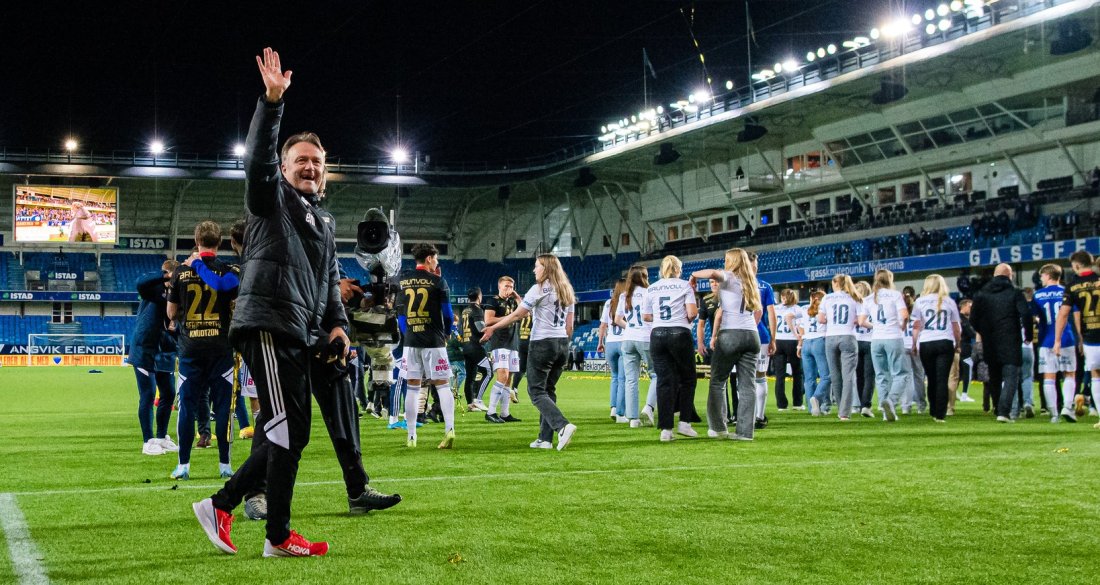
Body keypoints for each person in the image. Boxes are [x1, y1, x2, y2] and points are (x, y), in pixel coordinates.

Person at [194, 48, 351, 558]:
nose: (310, 167)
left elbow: (330, 282)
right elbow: (257, 158)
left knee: (291, 432)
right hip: (266, 322)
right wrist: (272, 102)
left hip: (300, 331)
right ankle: (275, 535)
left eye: (317, 163)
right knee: (286, 431)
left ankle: (226, 506)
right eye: (301, 160)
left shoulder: (324, 223)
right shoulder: (270, 199)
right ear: (284, 168)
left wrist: (339, 326)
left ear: (325, 173)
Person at [482, 254, 577, 450]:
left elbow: (518, 315)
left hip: (542, 343)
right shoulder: (567, 289)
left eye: (537, 266)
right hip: (562, 344)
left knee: (535, 390)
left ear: (546, 268)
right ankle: (545, 439)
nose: (534, 270)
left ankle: (562, 425)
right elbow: (569, 326)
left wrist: (493, 327)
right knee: (548, 390)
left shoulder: (539, 288)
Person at [167, 221, 239, 481]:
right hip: (220, 350)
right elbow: (233, 303)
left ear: (196, 241)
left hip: (191, 351)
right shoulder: (228, 270)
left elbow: (171, 313)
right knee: (223, 409)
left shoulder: (180, 273)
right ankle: (225, 466)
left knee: (187, 408)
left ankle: (183, 466)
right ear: (219, 243)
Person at [691, 248, 762, 440]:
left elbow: (712, 274)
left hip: (731, 333)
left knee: (717, 381)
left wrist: (693, 275)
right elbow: (759, 312)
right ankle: (745, 433)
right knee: (748, 385)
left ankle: (718, 428)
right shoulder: (753, 281)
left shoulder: (729, 277)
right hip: (752, 335)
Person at [397, 243, 456, 448]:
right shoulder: (438, 281)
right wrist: (447, 334)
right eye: (436, 259)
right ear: (430, 258)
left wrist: (409, 335)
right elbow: (448, 315)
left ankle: (411, 436)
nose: (437, 262)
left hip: (411, 342)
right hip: (434, 341)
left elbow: (401, 317)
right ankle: (449, 430)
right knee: (443, 385)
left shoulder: (402, 281)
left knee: (412, 388)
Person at [643, 255, 700, 441]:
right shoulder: (684, 286)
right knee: (688, 378)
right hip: (679, 333)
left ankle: (665, 430)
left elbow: (646, 316)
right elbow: (692, 313)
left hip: (657, 335)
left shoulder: (652, 287)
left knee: (664, 381)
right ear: (678, 269)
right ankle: (684, 422)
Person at [971, 263, 1033, 423]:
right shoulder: (1015, 293)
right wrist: (1028, 334)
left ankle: (998, 409)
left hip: (990, 341)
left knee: (995, 378)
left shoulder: (981, 293)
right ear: (1009, 275)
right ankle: (1004, 412)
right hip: (1011, 339)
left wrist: (984, 332)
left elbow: (973, 319)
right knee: (1011, 376)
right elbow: (1026, 314)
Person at [131, 259, 180, 456]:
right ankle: (147, 440)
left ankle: (161, 437)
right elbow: (140, 283)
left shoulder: (177, 293)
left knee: (168, 394)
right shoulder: (153, 290)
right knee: (148, 395)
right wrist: (165, 276)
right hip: (145, 349)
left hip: (165, 351)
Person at [1054, 250, 1100, 427]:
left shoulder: (1072, 286)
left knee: (1096, 375)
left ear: (1077, 266)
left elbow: (1064, 315)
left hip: (1091, 339)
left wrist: (1057, 340)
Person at [859, 269, 911, 421]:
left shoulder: (869, 298)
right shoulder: (895, 295)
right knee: (901, 374)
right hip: (893, 337)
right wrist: (902, 326)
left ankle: (884, 412)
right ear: (890, 279)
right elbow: (905, 315)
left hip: (876, 340)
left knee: (881, 376)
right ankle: (891, 402)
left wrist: (875, 326)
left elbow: (862, 321)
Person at [911, 274, 962, 423]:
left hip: (926, 342)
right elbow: (956, 327)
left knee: (931, 378)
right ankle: (940, 413)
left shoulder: (919, 302)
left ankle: (933, 409)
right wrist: (958, 343)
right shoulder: (949, 302)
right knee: (942, 378)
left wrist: (914, 344)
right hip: (945, 342)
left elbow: (916, 326)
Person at [1033, 264, 1077, 423]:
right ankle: (1067, 406)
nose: (1041, 279)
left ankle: (1054, 415)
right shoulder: (1067, 291)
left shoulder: (1037, 295)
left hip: (1046, 340)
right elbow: (1074, 314)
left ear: (1048, 275)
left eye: (1042, 276)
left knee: (1049, 377)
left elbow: (1035, 318)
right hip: (1066, 338)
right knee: (1069, 374)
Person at [615, 264, 657, 427]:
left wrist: (631, 328)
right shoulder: (649, 293)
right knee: (657, 374)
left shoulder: (625, 296)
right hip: (646, 337)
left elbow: (618, 320)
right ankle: (649, 406)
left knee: (631, 379)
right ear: (643, 277)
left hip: (628, 339)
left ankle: (633, 419)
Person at [819, 274, 862, 421]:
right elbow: (860, 320)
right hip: (848, 336)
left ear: (834, 283)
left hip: (830, 337)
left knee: (835, 375)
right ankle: (844, 412)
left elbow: (821, 319)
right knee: (848, 375)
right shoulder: (855, 297)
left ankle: (840, 408)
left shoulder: (827, 298)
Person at [482, 276, 524, 423]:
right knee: (502, 376)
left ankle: (505, 413)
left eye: (511, 287)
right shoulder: (492, 301)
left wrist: (518, 297)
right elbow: (488, 320)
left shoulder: (513, 301)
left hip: (513, 343)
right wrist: (511, 317)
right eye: (506, 286)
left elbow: (526, 313)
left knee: (508, 380)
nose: (509, 289)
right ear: (499, 286)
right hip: (499, 343)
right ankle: (491, 412)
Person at [749, 253, 777, 429]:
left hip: (741, 336)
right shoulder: (765, 286)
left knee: (744, 378)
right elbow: (771, 313)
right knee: (760, 377)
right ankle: (759, 416)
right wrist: (773, 338)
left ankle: (746, 416)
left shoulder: (734, 285)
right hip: (761, 336)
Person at [598, 277, 628, 422]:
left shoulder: (608, 303)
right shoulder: (627, 301)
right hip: (623, 341)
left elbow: (603, 325)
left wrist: (600, 342)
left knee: (614, 377)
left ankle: (613, 408)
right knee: (623, 378)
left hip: (610, 343)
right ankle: (620, 413)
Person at [799, 290, 831, 416]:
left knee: (809, 379)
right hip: (820, 341)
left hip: (806, 342)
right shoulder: (824, 309)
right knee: (826, 376)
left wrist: (799, 345)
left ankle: (812, 409)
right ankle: (817, 398)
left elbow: (800, 328)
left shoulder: (804, 309)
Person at [773, 289, 804, 411]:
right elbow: (800, 327)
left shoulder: (776, 308)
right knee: (797, 373)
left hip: (778, 340)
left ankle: (781, 405)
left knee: (779, 374)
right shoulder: (798, 309)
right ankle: (797, 402)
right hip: (792, 341)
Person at [460, 288, 490, 412]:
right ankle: (478, 399)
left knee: (470, 377)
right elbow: (480, 328)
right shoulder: (477, 310)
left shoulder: (464, 310)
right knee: (489, 371)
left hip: (466, 346)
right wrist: (490, 331)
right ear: (479, 296)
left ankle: (470, 404)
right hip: (475, 347)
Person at [853, 281, 875, 417]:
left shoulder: (853, 304)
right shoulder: (872, 303)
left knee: (858, 376)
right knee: (869, 376)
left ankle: (859, 404)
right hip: (870, 341)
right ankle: (866, 405)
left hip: (855, 341)